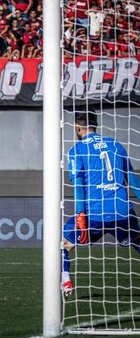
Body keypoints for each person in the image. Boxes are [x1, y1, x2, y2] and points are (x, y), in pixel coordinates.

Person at [62, 112, 140, 296]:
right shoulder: (116, 145)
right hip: (122, 211)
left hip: (94, 214)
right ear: (96, 126)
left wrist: (81, 214)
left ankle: (66, 281)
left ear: (78, 128)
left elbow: (79, 186)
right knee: (137, 240)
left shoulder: (77, 150)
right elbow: (134, 183)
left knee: (63, 245)